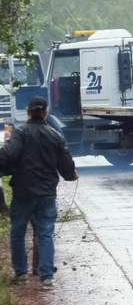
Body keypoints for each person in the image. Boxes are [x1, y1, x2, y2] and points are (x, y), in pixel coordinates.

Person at [0, 97, 77, 286]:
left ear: (28, 112)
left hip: (23, 193)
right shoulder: (55, 135)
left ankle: (21, 274)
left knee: (17, 231)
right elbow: (66, 165)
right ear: (46, 112)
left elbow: (8, 155)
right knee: (45, 233)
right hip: (46, 194)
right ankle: (47, 276)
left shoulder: (20, 133)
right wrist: (71, 175)